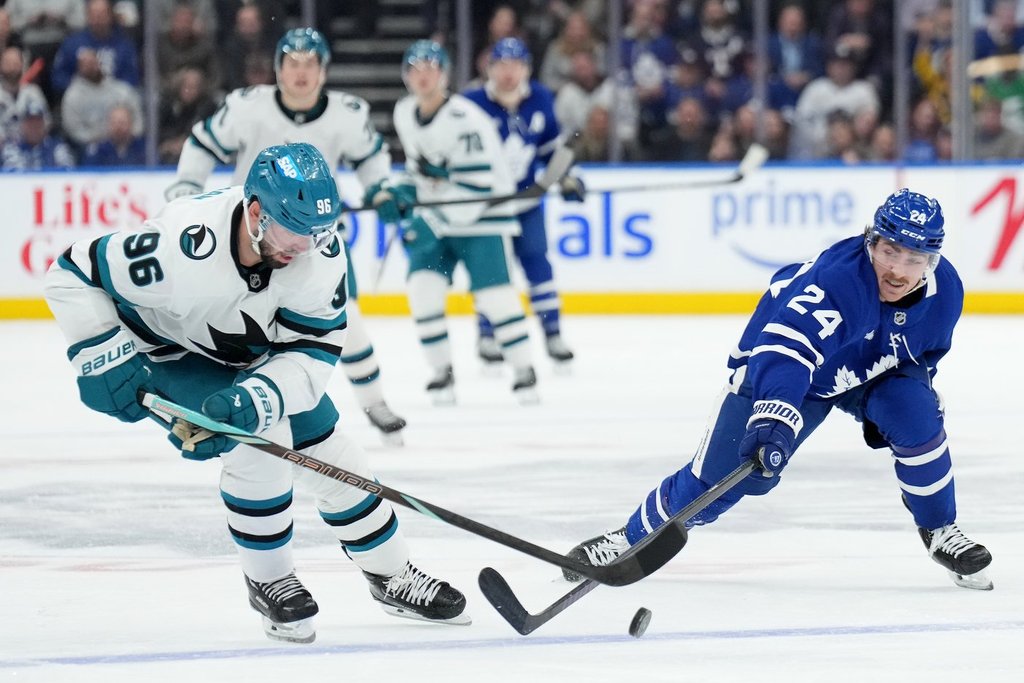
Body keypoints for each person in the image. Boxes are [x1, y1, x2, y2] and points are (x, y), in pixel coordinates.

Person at [44, 142, 470, 644]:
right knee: (256, 444)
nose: (303, 247)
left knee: (335, 454)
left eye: (317, 232)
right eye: (292, 229)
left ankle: (391, 574)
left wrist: (256, 396)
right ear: (255, 213)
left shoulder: (319, 256)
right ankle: (269, 579)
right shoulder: (181, 244)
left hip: (248, 357)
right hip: (164, 350)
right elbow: (72, 273)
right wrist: (100, 353)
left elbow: (312, 354)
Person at [562, 189, 994, 591]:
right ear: (871, 243)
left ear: (932, 260)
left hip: (867, 372)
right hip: (786, 374)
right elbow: (785, 351)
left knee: (917, 415)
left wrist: (912, 394)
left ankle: (939, 530)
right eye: (889, 251)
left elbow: (925, 353)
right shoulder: (838, 282)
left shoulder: (946, 291)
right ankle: (626, 539)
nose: (898, 269)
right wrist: (774, 418)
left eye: (914, 258)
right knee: (719, 483)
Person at [166, 28, 408, 444]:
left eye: (310, 64)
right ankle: (239, 400)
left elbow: (372, 160)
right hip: (248, 238)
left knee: (345, 322)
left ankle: (374, 403)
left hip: (316, 241)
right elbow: (203, 142)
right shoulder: (247, 107)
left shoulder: (347, 114)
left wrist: (381, 189)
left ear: (323, 70)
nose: (301, 73)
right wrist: (187, 188)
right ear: (277, 68)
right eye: (292, 63)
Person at [391, 40, 538, 404]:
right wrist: (399, 193)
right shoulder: (404, 111)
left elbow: (476, 186)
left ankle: (524, 369)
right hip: (439, 217)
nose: (424, 76)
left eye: (431, 68)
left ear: (444, 74)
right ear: (407, 75)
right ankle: (441, 372)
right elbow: (420, 169)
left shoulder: (464, 119)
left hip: (483, 218)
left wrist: (430, 218)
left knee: (495, 298)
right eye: (416, 69)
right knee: (423, 291)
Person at [463, 37, 584, 365]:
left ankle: (553, 333)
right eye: (501, 65)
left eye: (515, 66)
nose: (508, 73)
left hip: (528, 202)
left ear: (526, 69)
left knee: (538, 265)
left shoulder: (541, 98)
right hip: (488, 206)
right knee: (491, 272)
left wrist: (567, 177)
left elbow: (550, 151)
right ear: (489, 69)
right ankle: (488, 336)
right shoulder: (470, 103)